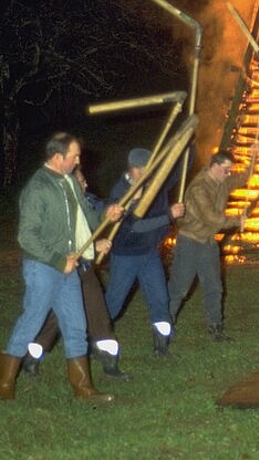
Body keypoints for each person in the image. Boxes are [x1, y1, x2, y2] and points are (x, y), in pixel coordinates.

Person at [0, 132, 123, 403]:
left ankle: (82, 388)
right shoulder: (38, 188)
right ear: (57, 158)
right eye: (74, 156)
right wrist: (58, 260)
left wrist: (106, 215)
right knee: (31, 321)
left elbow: (86, 215)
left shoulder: (69, 182)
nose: (79, 160)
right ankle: (5, 382)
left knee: (76, 325)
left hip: (69, 266)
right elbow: (27, 236)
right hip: (43, 268)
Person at [21, 166, 130, 381]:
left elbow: (99, 210)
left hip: (85, 270)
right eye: (82, 181)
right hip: (62, 269)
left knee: (98, 313)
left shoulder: (84, 200)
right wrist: (91, 245)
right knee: (53, 318)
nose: (86, 184)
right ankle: (30, 358)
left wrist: (114, 210)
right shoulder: (56, 206)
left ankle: (109, 363)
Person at [105, 147, 186, 357]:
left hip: (149, 253)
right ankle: (95, 340)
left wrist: (188, 141)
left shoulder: (154, 185)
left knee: (160, 298)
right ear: (134, 170)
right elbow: (135, 226)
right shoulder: (121, 192)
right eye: (146, 170)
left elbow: (176, 170)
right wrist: (169, 215)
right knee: (114, 302)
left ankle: (161, 347)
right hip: (126, 255)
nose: (150, 174)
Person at [168, 148, 254, 341]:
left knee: (214, 287)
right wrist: (236, 220)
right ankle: (165, 327)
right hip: (190, 241)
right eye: (226, 169)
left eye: (230, 170)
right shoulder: (199, 188)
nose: (229, 174)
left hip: (207, 243)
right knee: (179, 289)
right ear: (214, 166)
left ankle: (215, 328)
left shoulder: (221, 182)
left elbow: (243, 177)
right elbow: (211, 218)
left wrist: (254, 156)